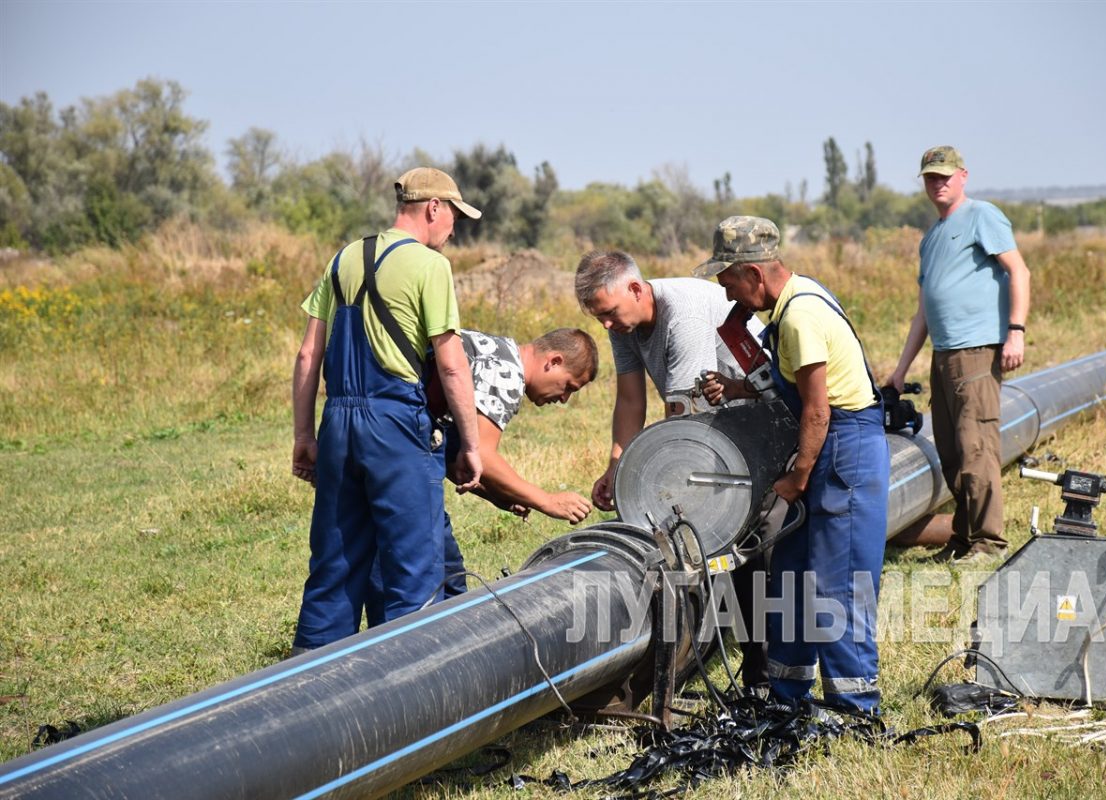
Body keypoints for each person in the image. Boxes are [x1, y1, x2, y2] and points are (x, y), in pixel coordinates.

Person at [696, 216, 889, 714]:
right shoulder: (793, 301)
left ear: (755, 275)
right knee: (793, 578)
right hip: (823, 443)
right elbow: (793, 390)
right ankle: (786, 695)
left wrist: (797, 477)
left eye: (730, 282)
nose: (728, 294)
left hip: (844, 448)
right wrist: (737, 387)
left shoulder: (800, 315)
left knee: (837, 585)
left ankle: (854, 708)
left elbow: (818, 409)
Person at [290, 167, 484, 654]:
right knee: (412, 573)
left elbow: (308, 356)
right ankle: (411, 704)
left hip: (338, 423)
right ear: (433, 208)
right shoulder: (429, 266)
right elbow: (453, 366)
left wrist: (304, 436)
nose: (455, 229)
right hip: (395, 425)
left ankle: (307, 697)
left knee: (334, 568)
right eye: (455, 216)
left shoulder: (343, 258)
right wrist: (472, 445)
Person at [575, 249, 768, 687]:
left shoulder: (682, 315)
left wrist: (656, 489)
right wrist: (616, 469)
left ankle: (763, 666)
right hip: (713, 424)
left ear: (637, 288)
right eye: (598, 318)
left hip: (755, 416)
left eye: (609, 313)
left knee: (746, 539)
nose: (606, 325)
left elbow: (682, 421)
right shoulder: (625, 322)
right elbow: (630, 399)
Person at [364, 327, 600, 621]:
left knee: (401, 564)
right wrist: (546, 500)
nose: (564, 399)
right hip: (397, 453)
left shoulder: (489, 349)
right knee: (434, 580)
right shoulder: (506, 372)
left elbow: (455, 455)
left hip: (371, 432)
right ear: (552, 361)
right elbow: (484, 457)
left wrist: (495, 494)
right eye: (569, 387)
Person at [886, 146, 1031, 563]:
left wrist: (1015, 332)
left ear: (963, 176)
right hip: (944, 354)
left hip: (977, 350)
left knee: (976, 446)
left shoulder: (982, 216)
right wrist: (901, 369)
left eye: (945, 175)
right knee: (951, 449)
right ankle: (964, 539)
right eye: (931, 177)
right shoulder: (931, 238)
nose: (939, 183)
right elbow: (924, 311)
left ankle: (987, 542)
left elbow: (1018, 270)